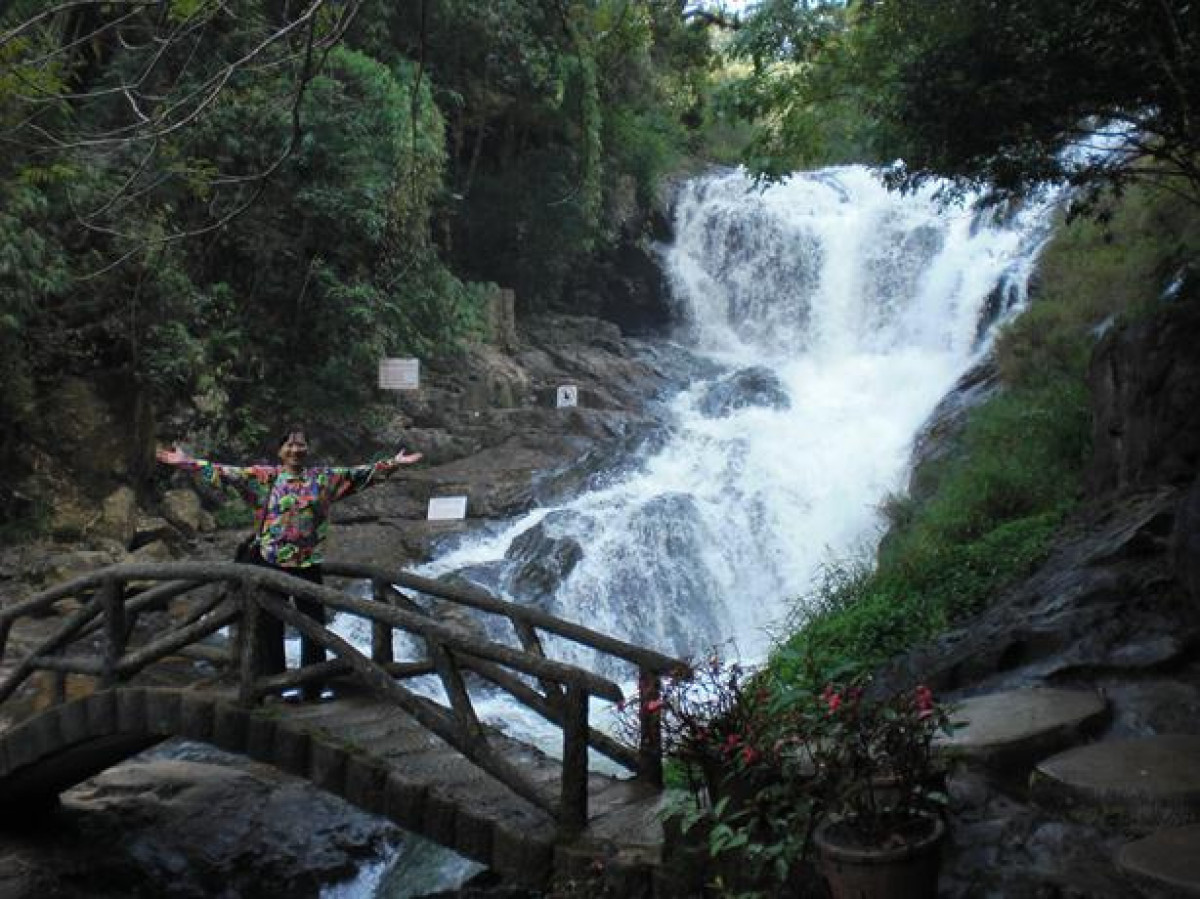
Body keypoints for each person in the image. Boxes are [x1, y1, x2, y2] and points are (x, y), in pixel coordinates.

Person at [156, 428, 422, 700]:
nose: (296, 450)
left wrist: (394, 464)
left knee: (314, 629)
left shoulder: (323, 479)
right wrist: (186, 462)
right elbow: (223, 472)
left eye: (301, 445)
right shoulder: (265, 478)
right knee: (271, 627)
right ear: (280, 450)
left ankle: (313, 689)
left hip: (307, 564)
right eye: (290, 445)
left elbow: (360, 475)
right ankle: (275, 687)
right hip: (270, 562)